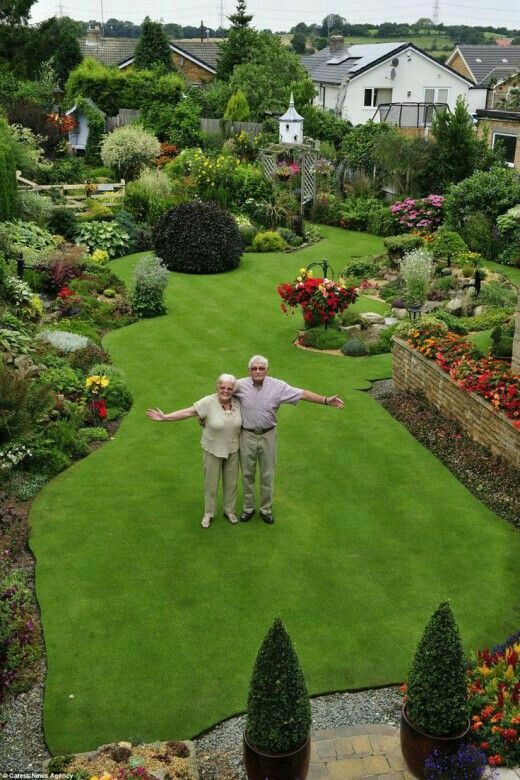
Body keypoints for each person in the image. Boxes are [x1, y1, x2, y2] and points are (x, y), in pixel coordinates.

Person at [234, 355, 344, 525]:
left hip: (268, 434)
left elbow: (302, 394)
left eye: (261, 368)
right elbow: (221, 396)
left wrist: (326, 400)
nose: (257, 371)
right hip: (246, 434)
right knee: (247, 473)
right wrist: (204, 415)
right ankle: (248, 508)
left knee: (267, 473)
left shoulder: (278, 386)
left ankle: (266, 509)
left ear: (267, 370)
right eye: (254, 368)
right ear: (249, 371)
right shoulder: (239, 385)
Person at [147, 374, 242, 528]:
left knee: (231, 484)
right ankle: (209, 514)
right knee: (211, 485)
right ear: (217, 387)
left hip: (233, 449)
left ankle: (229, 511)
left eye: (229, 388)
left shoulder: (238, 402)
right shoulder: (208, 402)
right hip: (212, 449)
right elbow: (188, 412)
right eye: (222, 387)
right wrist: (166, 418)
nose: (225, 390)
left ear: (233, 390)